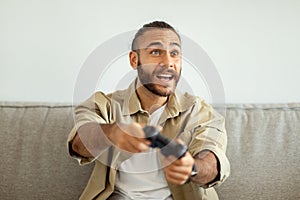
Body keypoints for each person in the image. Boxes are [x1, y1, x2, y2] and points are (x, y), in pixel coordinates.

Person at [68, 21, 230, 200]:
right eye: (155, 52)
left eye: (174, 53)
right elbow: (79, 144)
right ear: (134, 60)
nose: (168, 62)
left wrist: (192, 167)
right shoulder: (103, 104)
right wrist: (113, 133)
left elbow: (212, 163)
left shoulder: (200, 111)